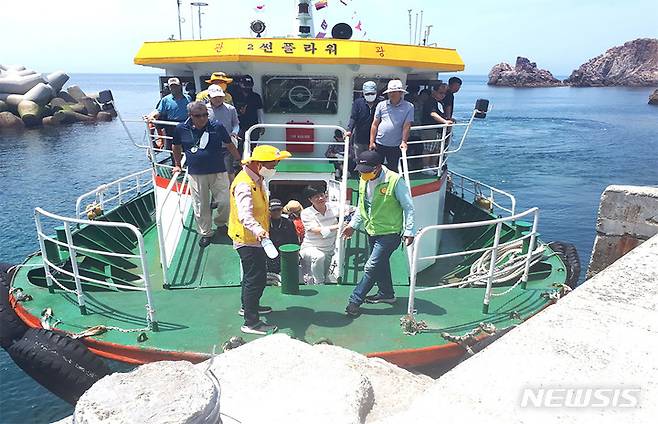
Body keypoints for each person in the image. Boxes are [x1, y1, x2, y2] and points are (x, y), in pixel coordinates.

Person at [342, 150, 415, 316]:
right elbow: (363, 206)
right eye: (360, 171)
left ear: (378, 168)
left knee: (371, 266)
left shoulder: (395, 181)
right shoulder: (363, 179)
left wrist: (409, 230)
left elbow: (408, 207)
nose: (363, 174)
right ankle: (387, 294)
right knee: (380, 264)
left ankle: (355, 300)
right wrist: (353, 225)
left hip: (390, 232)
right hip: (372, 230)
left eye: (366, 171)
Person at [228, 145, 292, 335]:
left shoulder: (257, 178)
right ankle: (251, 322)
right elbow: (244, 215)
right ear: (258, 164)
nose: (275, 167)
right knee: (255, 279)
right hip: (249, 239)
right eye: (273, 164)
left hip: (255, 237)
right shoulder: (244, 184)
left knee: (252, 276)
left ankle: (247, 307)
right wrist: (259, 230)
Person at [171, 101, 241, 248]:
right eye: (198, 116)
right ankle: (205, 232)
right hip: (196, 173)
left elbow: (229, 144)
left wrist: (240, 160)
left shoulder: (217, 126)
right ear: (190, 116)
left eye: (205, 115)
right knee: (200, 205)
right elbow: (176, 146)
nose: (203, 118)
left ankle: (221, 223)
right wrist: (177, 165)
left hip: (218, 170)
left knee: (225, 202)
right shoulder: (180, 129)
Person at [299, 185, 352, 285]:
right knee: (318, 260)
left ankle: (318, 284)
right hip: (310, 248)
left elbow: (353, 209)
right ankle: (319, 285)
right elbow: (316, 230)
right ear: (310, 200)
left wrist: (349, 222)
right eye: (316, 197)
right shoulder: (306, 213)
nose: (320, 198)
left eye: (322, 195)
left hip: (328, 249)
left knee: (323, 273)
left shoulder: (334, 208)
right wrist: (339, 226)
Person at [369, 79, 414, 171]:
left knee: (393, 169)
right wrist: (371, 142)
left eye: (394, 92)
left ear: (400, 93)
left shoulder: (409, 107)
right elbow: (375, 124)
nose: (391, 94)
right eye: (390, 92)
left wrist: (404, 141)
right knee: (376, 168)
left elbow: (407, 125)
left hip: (395, 145)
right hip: (379, 143)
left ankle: (391, 185)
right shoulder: (381, 105)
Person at [206, 85, 241, 180]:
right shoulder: (204, 109)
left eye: (220, 97)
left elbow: (236, 124)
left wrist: (234, 132)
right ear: (209, 97)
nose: (218, 99)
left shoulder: (230, 109)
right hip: (209, 145)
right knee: (211, 170)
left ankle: (231, 190)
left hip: (227, 145)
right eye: (215, 97)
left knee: (229, 169)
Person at [147, 78, 191, 150]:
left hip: (185, 124)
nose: (174, 88)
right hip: (171, 125)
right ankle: (174, 160)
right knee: (172, 147)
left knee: (186, 146)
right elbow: (158, 111)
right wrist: (151, 116)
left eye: (176, 86)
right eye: (172, 86)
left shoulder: (188, 98)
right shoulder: (165, 99)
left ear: (180, 86)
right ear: (169, 87)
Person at [421, 83, 455, 174]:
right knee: (428, 149)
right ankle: (425, 168)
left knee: (436, 149)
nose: (443, 95)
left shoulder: (439, 103)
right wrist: (445, 121)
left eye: (444, 93)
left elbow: (439, 114)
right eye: (441, 93)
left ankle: (433, 166)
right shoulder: (430, 101)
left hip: (438, 129)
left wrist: (448, 119)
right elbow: (433, 114)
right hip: (430, 129)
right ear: (434, 92)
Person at [347, 81, 381, 162]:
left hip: (376, 140)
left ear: (376, 92)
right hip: (359, 139)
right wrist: (349, 130)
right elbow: (353, 118)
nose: (370, 95)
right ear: (363, 93)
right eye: (367, 94)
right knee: (360, 161)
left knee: (373, 162)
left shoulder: (380, 103)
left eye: (372, 93)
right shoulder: (358, 103)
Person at [233, 75, 265, 152]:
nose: (247, 87)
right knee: (239, 145)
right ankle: (239, 163)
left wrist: (262, 124)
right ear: (240, 84)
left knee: (253, 146)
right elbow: (231, 111)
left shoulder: (256, 96)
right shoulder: (235, 96)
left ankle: (252, 163)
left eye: (249, 85)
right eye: (245, 84)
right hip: (240, 125)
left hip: (253, 124)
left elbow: (259, 111)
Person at [267, 198, 299, 275]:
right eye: (273, 210)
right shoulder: (265, 222)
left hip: (285, 254)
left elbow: (294, 240)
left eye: (279, 210)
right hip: (269, 254)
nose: (276, 212)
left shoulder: (288, 222)